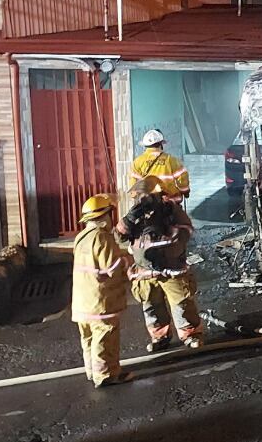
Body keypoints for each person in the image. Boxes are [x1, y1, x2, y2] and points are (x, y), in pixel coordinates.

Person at [121, 175, 204, 352]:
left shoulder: (171, 211)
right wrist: (129, 219)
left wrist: (169, 237)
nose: (141, 200)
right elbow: (119, 236)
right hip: (145, 272)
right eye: (139, 197)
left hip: (170, 268)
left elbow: (186, 231)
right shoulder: (136, 214)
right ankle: (160, 337)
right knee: (151, 306)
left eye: (145, 197)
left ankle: (191, 335)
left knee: (181, 304)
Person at [72, 194, 133, 388]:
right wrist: (127, 261)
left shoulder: (81, 237)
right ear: (105, 215)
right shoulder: (102, 237)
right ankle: (106, 375)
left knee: (88, 338)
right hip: (100, 302)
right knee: (105, 338)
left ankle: (93, 372)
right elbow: (112, 267)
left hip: (82, 302)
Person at [131, 129, 190, 203]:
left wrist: (137, 196)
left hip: (147, 203)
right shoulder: (171, 160)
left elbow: (134, 187)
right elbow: (182, 178)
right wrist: (185, 191)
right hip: (169, 201)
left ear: (145, 146)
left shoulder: (137, 161)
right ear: (161, 144)